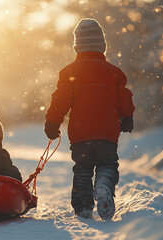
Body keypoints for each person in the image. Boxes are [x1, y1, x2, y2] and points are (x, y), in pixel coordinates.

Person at [44, 18, 135, 219]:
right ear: (103, 46)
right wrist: (127, 117)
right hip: (108, 133)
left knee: (83, 169)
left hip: (81, 132)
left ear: (77, 46)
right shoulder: (114, 72)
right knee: (107, 165)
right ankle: (104, 184)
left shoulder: (69, 72)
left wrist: (52, 122)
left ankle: (84, 207)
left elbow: (60, 99)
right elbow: (124, 97)